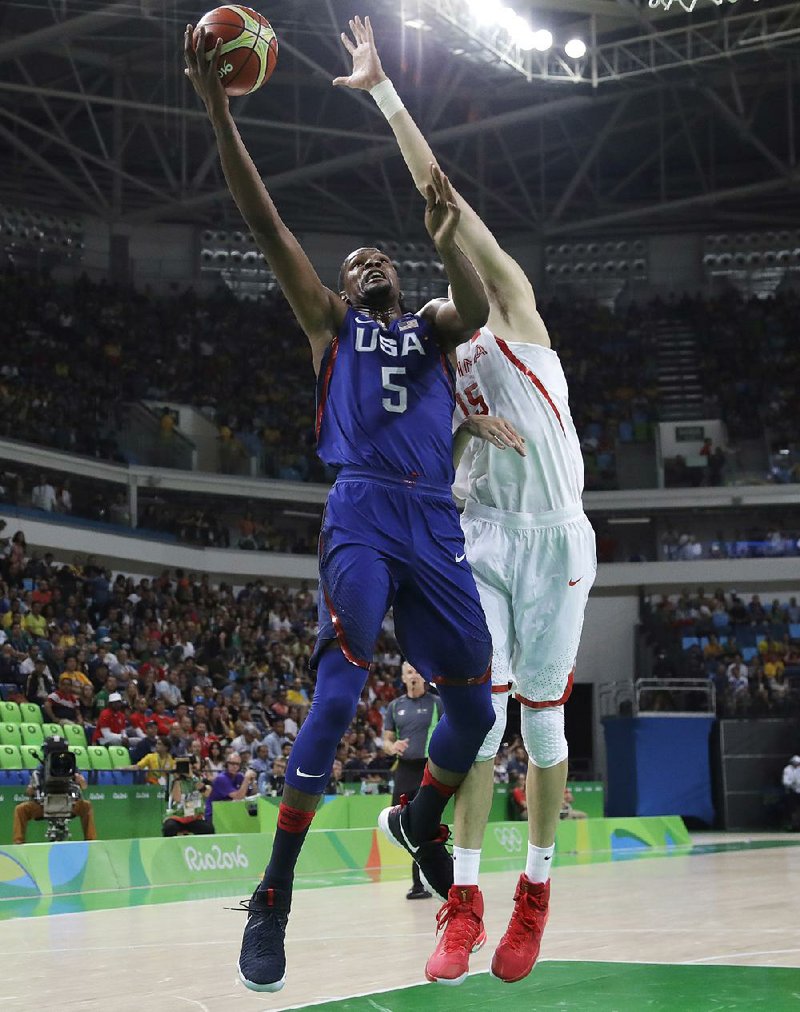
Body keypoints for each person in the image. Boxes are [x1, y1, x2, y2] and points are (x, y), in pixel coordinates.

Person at [185, 22, 495, 995]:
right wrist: (217, 115)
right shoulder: (329, 325)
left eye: (374, 258)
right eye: (350, 261)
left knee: (475, 713)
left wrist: (449, 236)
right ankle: (274, 893)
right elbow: (269, 225)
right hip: (361, 508)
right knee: (333, 694)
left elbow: (477, 306)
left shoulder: (433, 326)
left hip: (432, 518)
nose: (361, 264)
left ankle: (421, 822)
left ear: (398, 275)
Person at [334, 17, 596, 987]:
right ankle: (466, 897)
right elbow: (405, 449)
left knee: (544, 733)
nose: (457, 245)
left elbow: (437, 186)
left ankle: (533, 891)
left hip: (555, 537)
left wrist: (384, 96)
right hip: (479, 535)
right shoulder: (433, 356)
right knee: (478, 720)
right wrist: (456, 431)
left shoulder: (516, 308)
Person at [383, 661, 443, 900]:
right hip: (404, 772)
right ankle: (420, 880)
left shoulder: (437, 703)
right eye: (409, 672)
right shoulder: (394, 706)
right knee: (405, 827)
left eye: (417, 671)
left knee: (427, 826)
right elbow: (386, 742)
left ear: (425, 676)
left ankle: (424, 881)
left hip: (428, 769)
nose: (414, 675)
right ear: (403, 677)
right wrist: (392, 746)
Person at [12, 747, 97, 844]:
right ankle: (18, 843)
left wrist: (80, 780)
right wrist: (32, 789)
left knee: (86, 806)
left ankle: (91, 842)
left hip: (69, 804)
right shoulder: (40, 770)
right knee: (21, 810)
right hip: (43, 805)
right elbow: (29, 792)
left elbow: (84, 786)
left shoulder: (71, 767)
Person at [162, 757, 214, 837]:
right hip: (178, 817)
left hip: (195, 818)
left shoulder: (201, 780)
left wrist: (192, 777)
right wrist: (177, 778)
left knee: (208, 828)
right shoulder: (175, 781)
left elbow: (206, 793)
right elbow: (177, 799)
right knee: (169, 827)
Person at [205, 751, 257, 823]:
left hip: (229, 812)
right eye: (232, 763)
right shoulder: (221, 778)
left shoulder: (239, 776)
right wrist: (246, 779)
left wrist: (252, 781)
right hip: (214, 815)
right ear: (227, 764)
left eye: (237, 764)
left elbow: (253, 793)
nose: (235, 766)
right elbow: (238, 796)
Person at [782, 754, 800, 831]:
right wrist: (793, 783)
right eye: (795, 762)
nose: (797, 764)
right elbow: (785, 781)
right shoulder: (787, 769)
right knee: (793, 809)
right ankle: (794, 825)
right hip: (792, 792)